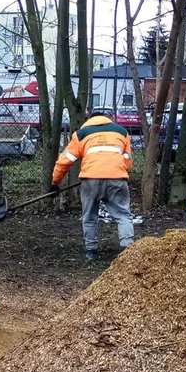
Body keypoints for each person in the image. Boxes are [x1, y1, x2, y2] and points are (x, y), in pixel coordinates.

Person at [52, 111, 134, 261]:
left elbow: (65, 161)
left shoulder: (81, 134)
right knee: (123, 216)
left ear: (89, 120)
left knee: (89, 216)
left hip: (90, 180)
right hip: (116, 178)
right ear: (108, 120)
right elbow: (127, 160)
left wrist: (55, 182)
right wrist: (121, 171)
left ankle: (91, 252)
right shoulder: (122, 132)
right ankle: (128, 250)